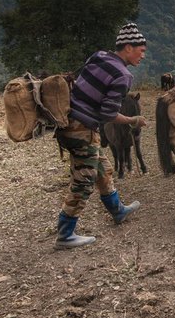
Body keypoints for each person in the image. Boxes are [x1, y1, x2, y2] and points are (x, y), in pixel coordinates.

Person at [54, 22, 149, 249]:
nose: (143, 56)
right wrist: (132, 119)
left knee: (103, 168)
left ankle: (118, 211)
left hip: (68, 123)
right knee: (84, 180)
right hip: (82, 129)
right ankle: (65, 234)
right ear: (128, 47)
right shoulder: (123, 75)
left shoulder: (99, 56)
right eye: (141, 51)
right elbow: (108, 113)